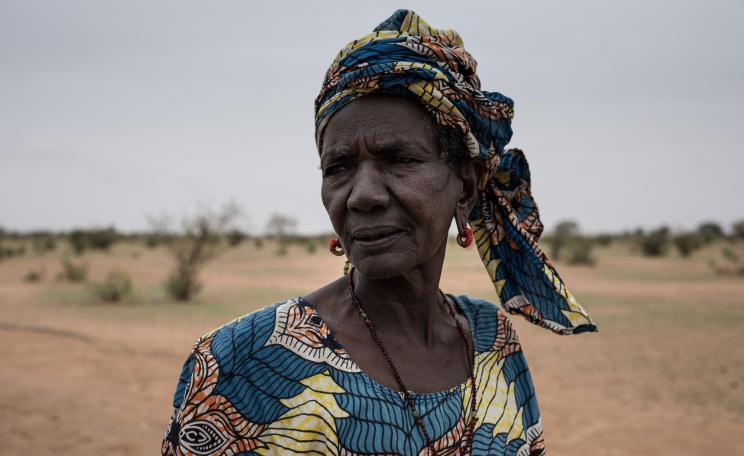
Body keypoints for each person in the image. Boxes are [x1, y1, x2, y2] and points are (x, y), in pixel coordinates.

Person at [161, 9, 595, 456]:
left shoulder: (493, 342)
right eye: (339, 168)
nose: (361, 195)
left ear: (464, 188)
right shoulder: (241, 360)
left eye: (398, 159)